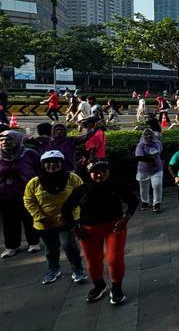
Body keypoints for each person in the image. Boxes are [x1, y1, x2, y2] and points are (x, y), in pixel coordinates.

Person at [62, 160, 137, 304]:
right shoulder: (82, 190)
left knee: (114, 259)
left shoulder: (116, 186)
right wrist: (74, 229)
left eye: (104, 171)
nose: (100, 175)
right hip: (88, 230)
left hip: (114, 227)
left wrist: (126, 218)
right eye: (96, 172)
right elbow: (65, 210)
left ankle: (116, 288)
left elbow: (133, 201)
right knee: (93, 261)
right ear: (89, 174)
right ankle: (99, 285)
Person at [23, 150, 87, 284]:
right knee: (51, 249)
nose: (52, 165)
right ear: (43, 165)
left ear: (62, 163)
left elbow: (82, 196)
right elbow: (29, 200)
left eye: (56, 162)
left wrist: (68, 214)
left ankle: (78, 269)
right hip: (45, 223)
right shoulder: (34, 182)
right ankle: (53, 269)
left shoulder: (73, 178)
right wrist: (40, 217)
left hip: (67, 221)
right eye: (48, 163)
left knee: (69, 245)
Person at [0, 131, 41, 258]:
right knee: (9, 221)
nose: (4, 142)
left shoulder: (29, 153)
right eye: (1, 140)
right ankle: (12, 246)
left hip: (27, 193)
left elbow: (40, 170)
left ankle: (34, 242)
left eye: (9, 139)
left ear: (17, 140)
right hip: (5, 194)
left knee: (29, 218)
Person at [135, 129, 163, 213]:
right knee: (143, 187)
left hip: (157, 168)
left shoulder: (158, 143)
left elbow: (161, 151)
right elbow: (139, 157)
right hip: (143, 170)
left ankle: (156, 204)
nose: (148, 136)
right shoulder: (141, 145)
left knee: (157, 185)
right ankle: (145, 202)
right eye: (146, 134)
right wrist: (151, 160)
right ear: (143, 136)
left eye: (150, 134)